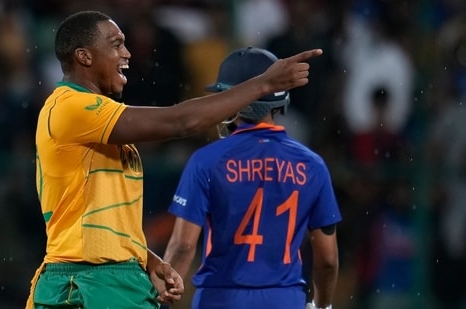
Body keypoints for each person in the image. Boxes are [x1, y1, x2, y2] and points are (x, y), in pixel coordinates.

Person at [26, 11, 323, 309]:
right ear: (84, 57)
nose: (127, 54)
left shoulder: (95, 117)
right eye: (116, 45)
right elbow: (181, 122)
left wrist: (146, 259)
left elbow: (100, 217)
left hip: (114, 279)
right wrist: (263, 84)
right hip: (87, 282)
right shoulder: (70, 108)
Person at [163, 47, 340, 309]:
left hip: (220, 299)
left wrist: (161, 303)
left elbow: (182, 247)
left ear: (232, 99)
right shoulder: (312, 165)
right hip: (284, 299)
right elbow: (327, 259)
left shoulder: (206, 160)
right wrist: (322, 305)